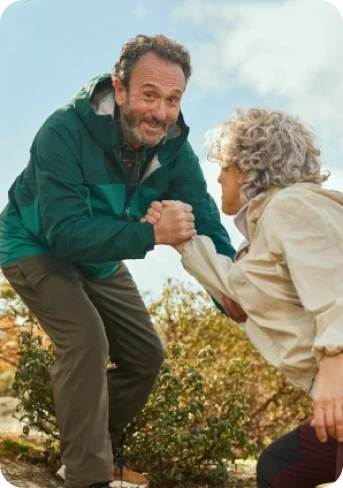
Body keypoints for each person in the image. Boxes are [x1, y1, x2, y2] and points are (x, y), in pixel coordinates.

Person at [0, 34, 236, 488]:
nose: (161, 112)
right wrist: (150, 234)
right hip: (35, 243)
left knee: (146, 354)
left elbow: (203, 218)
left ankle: (89, 449)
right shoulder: (62, 132)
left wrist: (230, 292)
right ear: (120, 87)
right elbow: (64, 234)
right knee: (86, 338)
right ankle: (87, 476)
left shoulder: (174, 147)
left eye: (173, 99)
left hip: (102, 246)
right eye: (149, 95)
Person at [143, 108, 343, 487]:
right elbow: (237, 292)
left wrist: (335, 363)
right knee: (277, 467)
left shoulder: (294, 206)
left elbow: (338, 284)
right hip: (333, 392)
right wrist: (181, 239)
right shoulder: (266, 230)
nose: (218, 176)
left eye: (225, 165)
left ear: (251, 166)